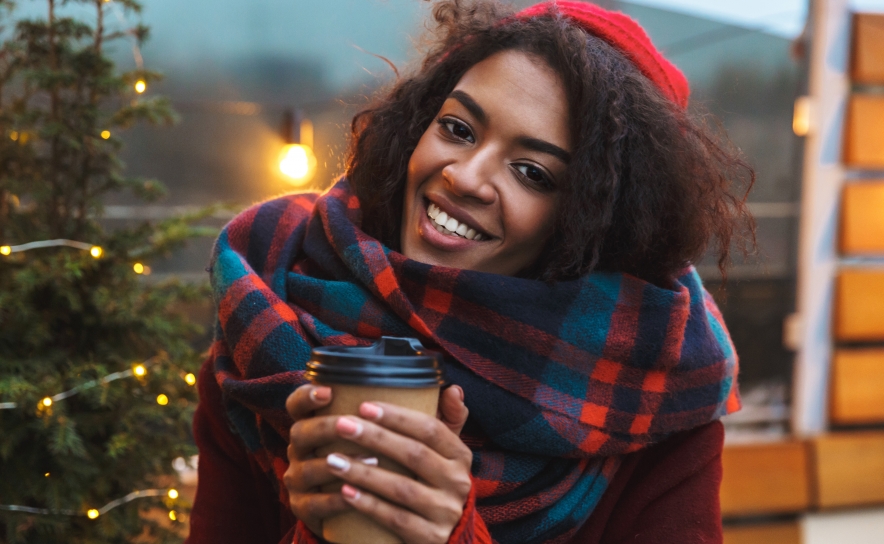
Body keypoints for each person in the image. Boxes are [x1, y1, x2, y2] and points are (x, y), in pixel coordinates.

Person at [186, 1, 754, 543]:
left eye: (532, 172)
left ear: (597, 226)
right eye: (458, 129)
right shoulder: (271, 295)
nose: (464, 177)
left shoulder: (659, 389)